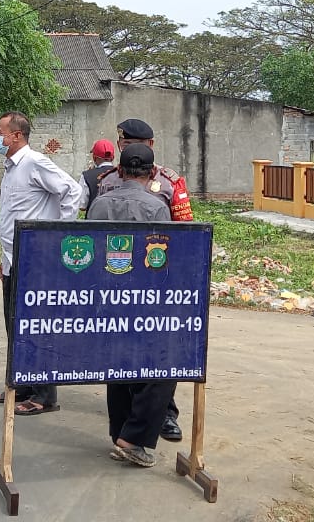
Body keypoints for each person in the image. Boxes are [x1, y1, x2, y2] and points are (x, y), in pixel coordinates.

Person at [95, 118, 192, 443]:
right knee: (134, 358)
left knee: (154, 359)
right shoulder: (105, 180)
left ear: (149, 145)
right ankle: (129, 431)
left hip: (150, 283)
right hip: (130, 285)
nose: (123, 145)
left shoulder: (171, 181)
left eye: (129, 141)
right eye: (120, 141)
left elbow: (184, 231)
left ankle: (165, 415)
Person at [87, 143, 176, 468]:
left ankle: (120, 432)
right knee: (164, 367)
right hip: (143, 301)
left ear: (119, 171)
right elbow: (160, 259)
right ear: (152, 173)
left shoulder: (99, 205)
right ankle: (133, 437)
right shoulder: (157, 208)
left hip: (104, 299)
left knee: (119, 363)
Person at [0, 111, 82, 416]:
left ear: (16, 135)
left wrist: (57, 236)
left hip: (35, 260)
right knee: (16, 326)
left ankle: (45, 395)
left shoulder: (35, 163)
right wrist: (4, 260)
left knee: (37, 326)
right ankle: (25, 385)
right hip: (13, 258)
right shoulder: (11, 167)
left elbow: (73, 190)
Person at [78, 139, 115, 211]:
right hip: (119, 221)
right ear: (113, 157)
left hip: (94, 220)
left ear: (94, 158)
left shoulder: (87, 176)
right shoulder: (123, 174)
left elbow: (82, 205)